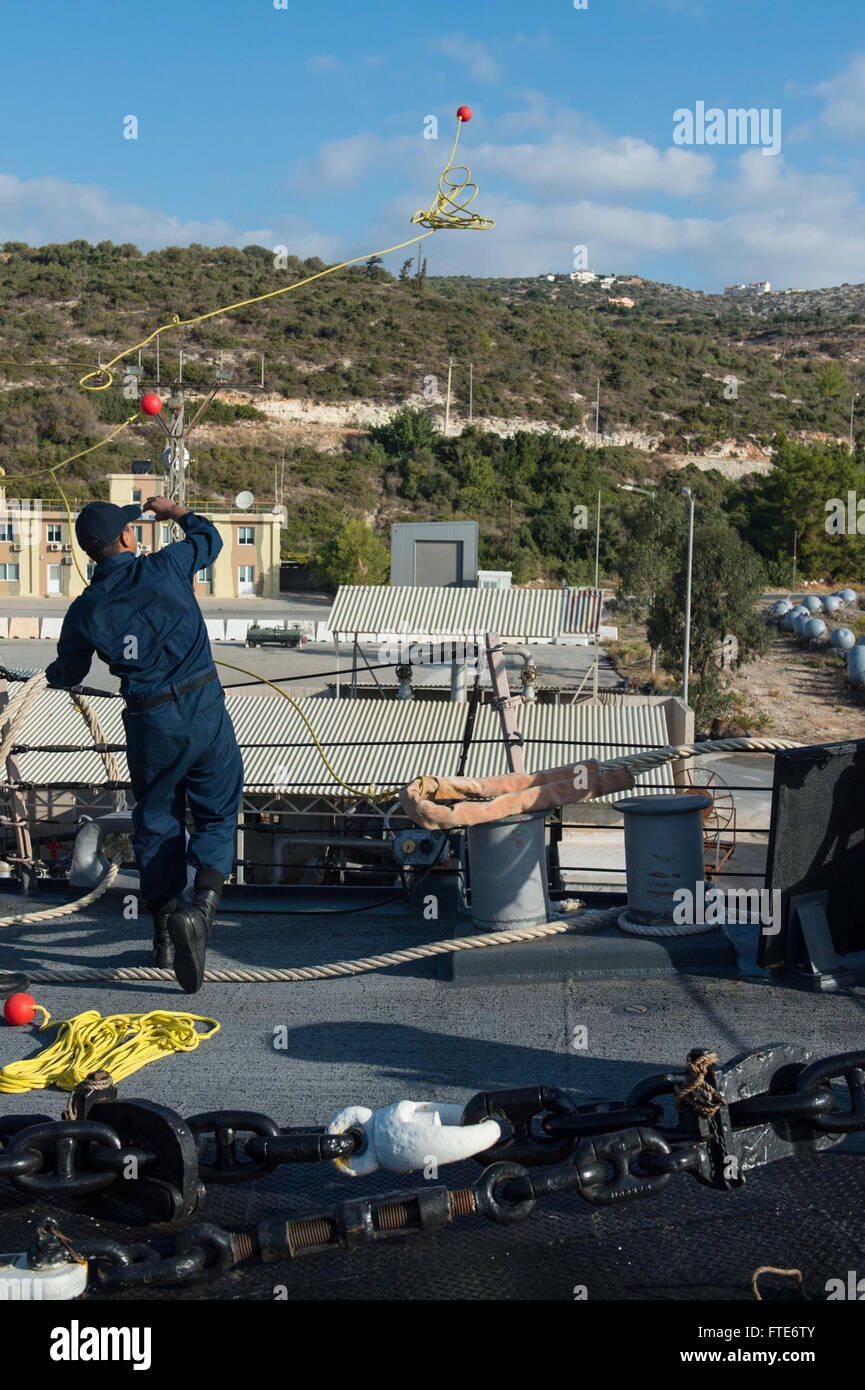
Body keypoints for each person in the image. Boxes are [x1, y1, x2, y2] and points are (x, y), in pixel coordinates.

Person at [45, 496, 244, 993]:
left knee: (157, 822)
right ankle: (201, 913)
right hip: (203, 707)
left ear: (91, 553)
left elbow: (68, 672)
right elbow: (211, 540)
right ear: (129, 539)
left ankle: (163, 934)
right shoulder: (168, 564)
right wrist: (176, 511)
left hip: (149, 722)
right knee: (217, 814)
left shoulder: (85, 609)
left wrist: (45, 675)